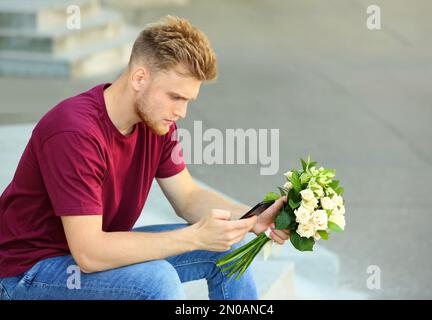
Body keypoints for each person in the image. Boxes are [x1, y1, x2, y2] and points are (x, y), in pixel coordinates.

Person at [0, 15, 289, 300]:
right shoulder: (75, 131)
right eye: (176, 97)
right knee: (155, 281)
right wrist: (195, 236)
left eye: (188, 100)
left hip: (91, 258)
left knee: (226, 250)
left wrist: (251, 217)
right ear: (140, 77)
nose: (182, 112)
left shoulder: (157, 124)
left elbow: (188, 197)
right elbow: (89, 253)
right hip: (27, 275)